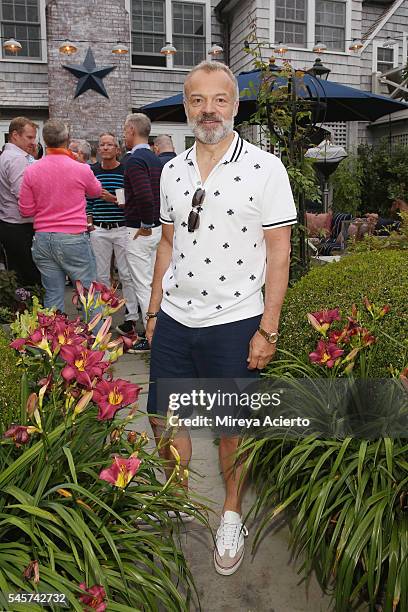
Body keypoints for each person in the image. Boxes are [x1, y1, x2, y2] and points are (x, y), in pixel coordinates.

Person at [145, 61, 297, 575]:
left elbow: (280, 254)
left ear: (235, 105)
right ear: (186, 106)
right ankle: (176, 502)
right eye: (197, 100)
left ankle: (232, 513)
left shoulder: (266, 168)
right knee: (165, 420)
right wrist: (152, 309)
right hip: (175, 319)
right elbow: (168, 242)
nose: (208, 110)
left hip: (236, 320)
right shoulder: (171, 169)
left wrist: (268, 328)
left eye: (219, 100)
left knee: (233, 429)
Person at [19, 119, 102, 312]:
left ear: (44, 141)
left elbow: (26, 211)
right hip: (73, 237)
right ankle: (96, 341)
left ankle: (53, 340)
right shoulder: (80, 168)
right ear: (67, 139)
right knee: (88, 294)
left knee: (53, 295)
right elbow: (96, 191)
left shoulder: (31, 170)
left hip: (43, 238)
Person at [86, 132, 139, 335]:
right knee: (101, 276)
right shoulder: (92, 171)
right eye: (102, 145)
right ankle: (103, 318)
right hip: (99, 229)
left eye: (110, 144)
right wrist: (90, 223)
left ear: (118, 150)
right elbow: (88, 199)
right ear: (98, 150)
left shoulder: (125, 171)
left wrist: (113, 200)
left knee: (127, 274)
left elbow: (130, 203)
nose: (106, 148)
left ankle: (131, 318)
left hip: (122, 228)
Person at [123, 113, 163, 352]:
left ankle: (153, 336)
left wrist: (145, 224)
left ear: (131, 130)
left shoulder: (135, 160)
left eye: (124, 130)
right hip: (155, 227)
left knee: (142, 284)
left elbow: (145, 195)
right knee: (154, 281)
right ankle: (157, 331)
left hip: (142, 228)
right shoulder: (155, 159)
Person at [0, 116, 41, 286]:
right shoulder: (16, 158)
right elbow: (23, 195)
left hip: (11, 222)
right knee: (27, 278)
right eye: (29, 137)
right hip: (18, 225)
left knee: (18, 275)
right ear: (15, 135)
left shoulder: (6, 155)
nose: (33, 142)